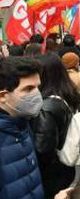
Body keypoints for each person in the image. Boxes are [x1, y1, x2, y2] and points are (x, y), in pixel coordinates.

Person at [31, 54, 80, 198]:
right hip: (64, 167)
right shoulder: (66, 94)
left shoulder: (46, 108)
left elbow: (42, 149)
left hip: (50, 174)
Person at [0, 56, 44, 198]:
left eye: (38, 87)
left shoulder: (22, 124)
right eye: (28, 89)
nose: (36, 95)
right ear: (3, 96)